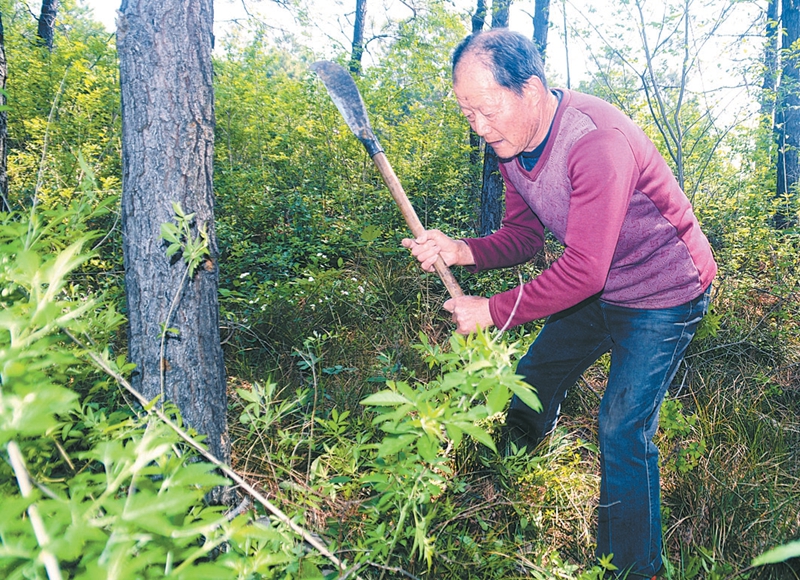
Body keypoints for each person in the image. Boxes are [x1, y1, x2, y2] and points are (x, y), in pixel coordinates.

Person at [401, 29, 717, 578]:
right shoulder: (511, 145)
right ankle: (509, 472)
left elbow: (584, 269)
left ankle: (633, 570)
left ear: (531, 89)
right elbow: (524, 238)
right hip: (600, 287)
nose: (479, 127)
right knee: (536, 373)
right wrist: (461, 251)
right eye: (467, 112)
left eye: (488, 109)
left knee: (621, 426)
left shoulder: (596, 142)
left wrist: (492, 310)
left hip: (662, 292)